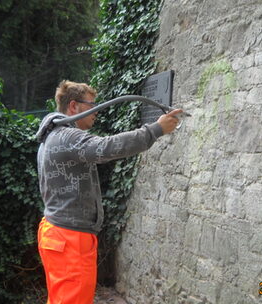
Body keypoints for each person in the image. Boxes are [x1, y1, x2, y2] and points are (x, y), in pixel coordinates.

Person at [35, 80, 182, 304]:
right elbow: (106, 147)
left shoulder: (51, 136)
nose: (96, 112)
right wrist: (156, 129)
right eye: (91, 105)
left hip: (58, 234)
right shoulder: (66, 137)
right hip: (70, 239)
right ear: (73, 106)